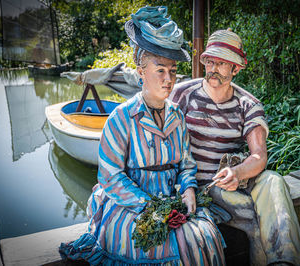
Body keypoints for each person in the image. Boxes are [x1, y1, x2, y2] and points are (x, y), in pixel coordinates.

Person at [59, 6, 226, 266]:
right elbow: (110, 177)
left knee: (204, 234)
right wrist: (151, 206)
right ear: (141, 72)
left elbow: (186, 165)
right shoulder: (121, 118)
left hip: (172, 198)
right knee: (159, 243)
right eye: (160, 70)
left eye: (172, 70)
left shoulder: (177, 116)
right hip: (130, 205)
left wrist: (188, 190)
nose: (169, 79)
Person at [170, 29, 300, 266]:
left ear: (236, 68)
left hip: (235, 180)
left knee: (273, 180)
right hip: (199, 186)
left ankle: (286, 262)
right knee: (255, 217)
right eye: (210, 61)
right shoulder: (182, 94)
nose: (213, 68)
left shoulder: (248, 104)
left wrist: (238, 172)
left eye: (222, 63)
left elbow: (259, 156)